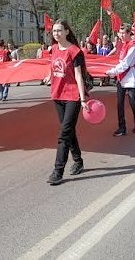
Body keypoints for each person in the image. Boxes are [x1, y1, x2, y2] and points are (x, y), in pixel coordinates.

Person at [44, 20, 89, 185]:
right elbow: (52, 66)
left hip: (72, 97)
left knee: (63, 135)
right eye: (54, 31)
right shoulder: (54, 48)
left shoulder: (74, 51)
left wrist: (82, 98)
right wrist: (49, 77)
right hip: (57, 95)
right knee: (68, 131)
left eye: (59, 31)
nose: (56, 34)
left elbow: (78, 75)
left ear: (67, 32)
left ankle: (58, 171)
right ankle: (78, 161)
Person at [106, 23, 135, 136]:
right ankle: (122, 127)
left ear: (128, 33)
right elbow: (119, 61)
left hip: (131, 77)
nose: (121, 35)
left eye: (123, 33)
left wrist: (112, 72)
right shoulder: (122, 45)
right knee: (120, 103)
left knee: (132, 101)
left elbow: (126, 63)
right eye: (120, 33)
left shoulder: (133, 46)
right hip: (121, 77)